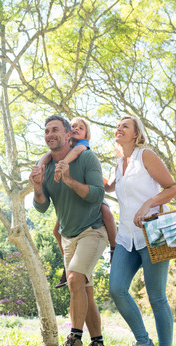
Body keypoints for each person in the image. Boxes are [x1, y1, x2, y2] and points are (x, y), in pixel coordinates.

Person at [30, 115, 112, 346]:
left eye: (55, 129)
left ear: (68, 135)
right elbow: (42, 206)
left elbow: (98, 195)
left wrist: (68, 179)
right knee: (83, 292)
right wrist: (36, 187)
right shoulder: (44, 167)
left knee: (75, 278)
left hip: (93, 231)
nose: (49, 134)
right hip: (68, 237)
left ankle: (73, 343)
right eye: (46, 131)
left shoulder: (86, 158)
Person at [106, 115, 176, 346]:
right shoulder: (119, 162)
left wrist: (149, 203)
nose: (119, 129)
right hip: (126, 237)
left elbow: (173, 189)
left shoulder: (145, 155)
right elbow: (109, 186)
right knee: (116, 289)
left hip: (153, 235)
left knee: (157, 297)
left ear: (136, 134)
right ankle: (144, 343)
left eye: (125, 126)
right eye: (118, 126)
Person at [37, 117, 117, 289]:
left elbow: (100, 189)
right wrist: (40, 166)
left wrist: (62, 164)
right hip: (71, 206)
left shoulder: (82, 146)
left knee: (106, 211)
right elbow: (46, 156)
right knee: (57, 230)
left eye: (80, 128)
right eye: (73, 126)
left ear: (86, 133)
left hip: (90, 195)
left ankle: (114, 246)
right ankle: (68, 267)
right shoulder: (61, 148)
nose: (75, 130)